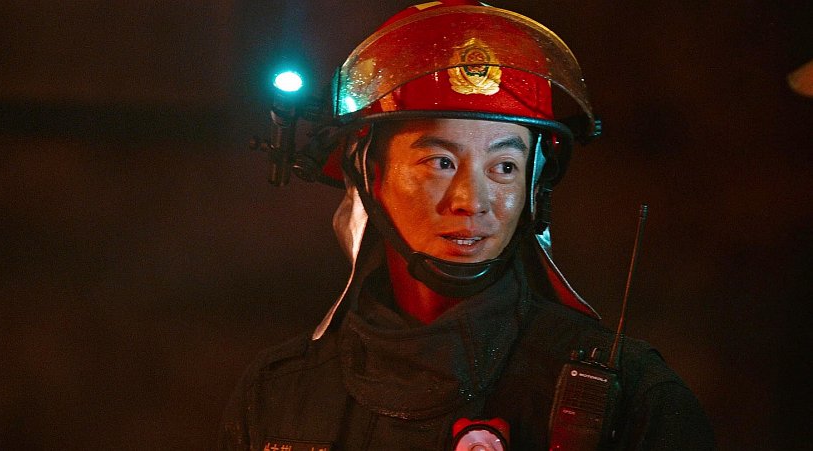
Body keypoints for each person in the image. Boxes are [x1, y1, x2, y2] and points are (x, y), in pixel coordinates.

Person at [220, 1, 715, 449]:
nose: (472, 201)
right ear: (371, 174)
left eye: (505, 167)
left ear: (533, 188)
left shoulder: (634, 402)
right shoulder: (280, 396)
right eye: (440, 162)